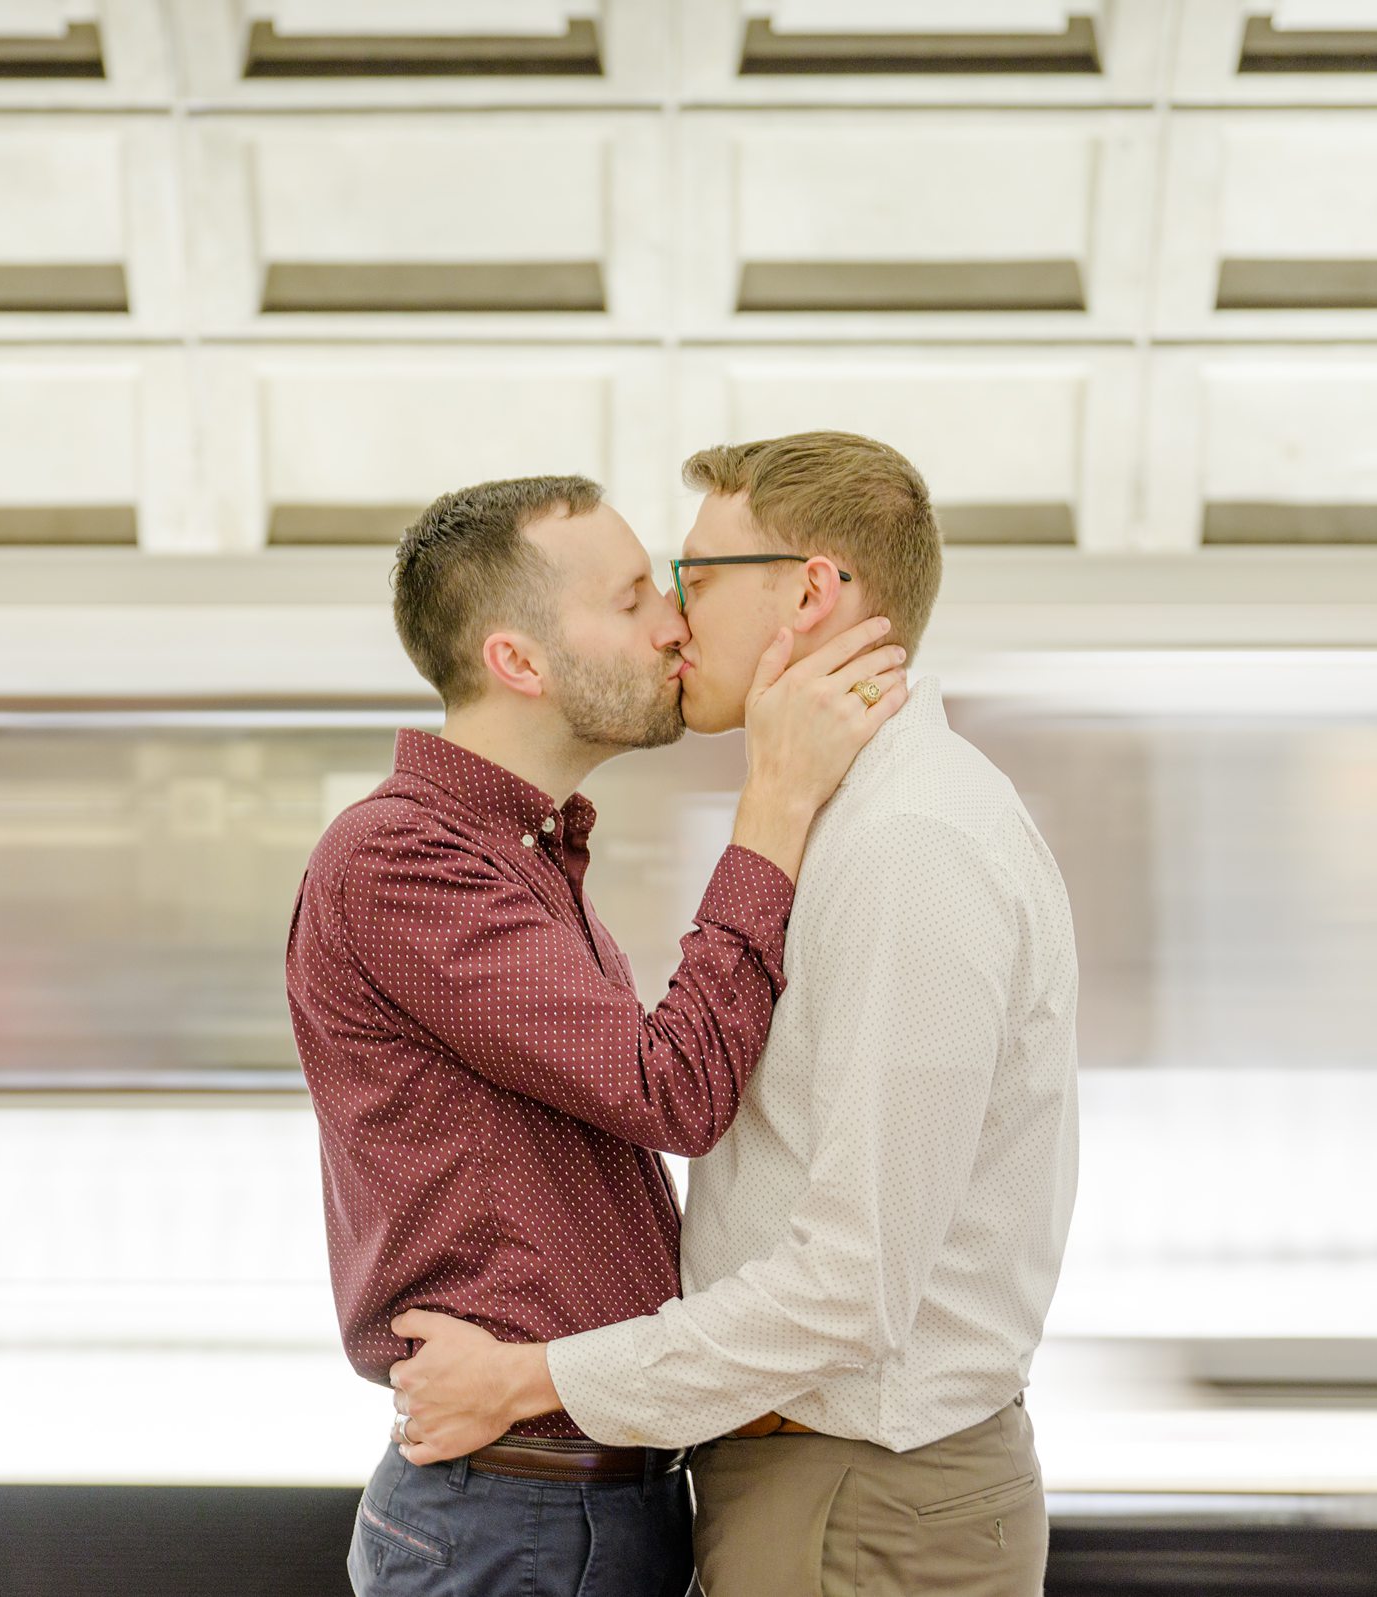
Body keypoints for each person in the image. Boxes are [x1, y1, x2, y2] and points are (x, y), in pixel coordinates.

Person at [386, 434, 1082, 1597]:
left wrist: (531, 1378)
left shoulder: (910, 847)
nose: (672, 616)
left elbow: (850, 1287)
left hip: (857, 1493)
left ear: (807, 590)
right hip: (820, 1483)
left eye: (695, 577)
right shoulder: (850, 823)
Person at [284, 472, 910, 1597]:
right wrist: (772, 802)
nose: (674, 621)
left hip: (576, 1500)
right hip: (514, 1515)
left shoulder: (529, 860)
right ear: (518, 661)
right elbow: (671, 1089)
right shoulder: (402, 859)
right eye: (631, 601)